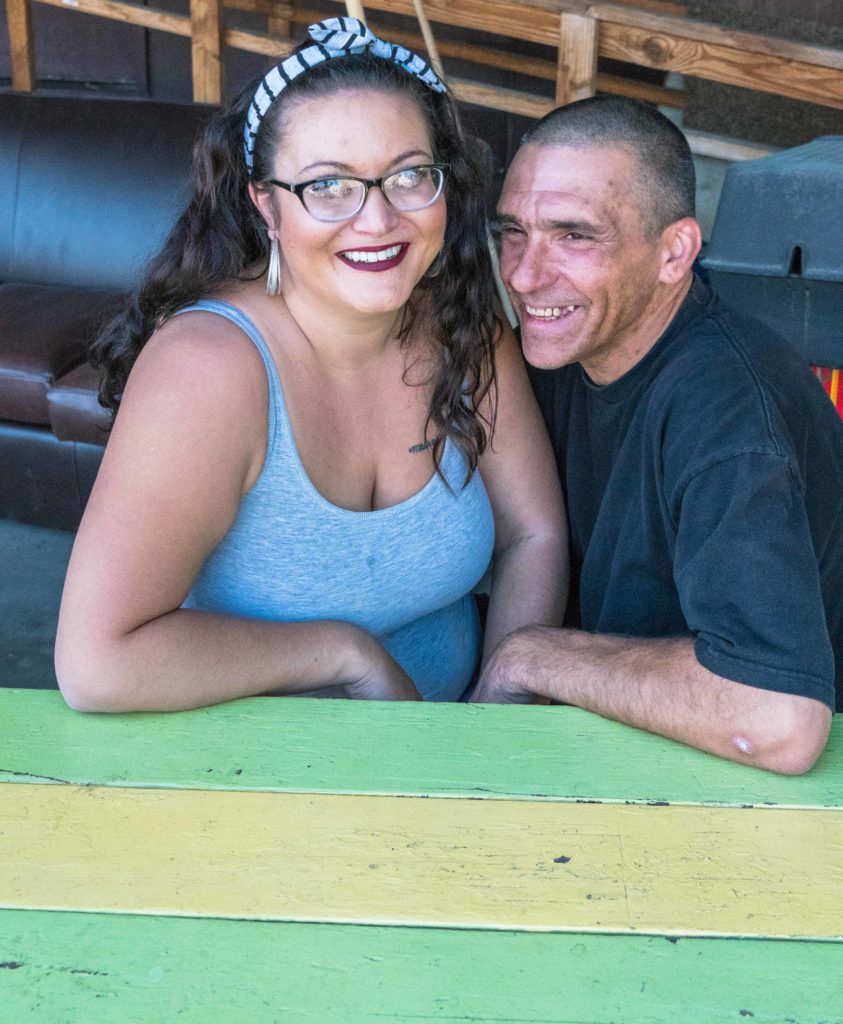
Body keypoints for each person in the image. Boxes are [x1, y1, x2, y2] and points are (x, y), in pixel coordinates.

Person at [55, 18, 566, 711]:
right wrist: (345, 653)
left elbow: (533, 535)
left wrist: (497, 715)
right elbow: (97, 664)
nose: (377, 219)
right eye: (328, 186)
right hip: (258, 778)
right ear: (265, 203)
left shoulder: (461, 324)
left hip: (456, 759)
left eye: (409, 174)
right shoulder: (210, 370)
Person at [473, 95, 843, 774]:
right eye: (512, 231)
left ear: (673, 253)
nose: (523, 274)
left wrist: (530, 654)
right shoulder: (567, 349)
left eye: (574, 236)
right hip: (633, 752)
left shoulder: (726, 411)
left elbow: (773, 719)